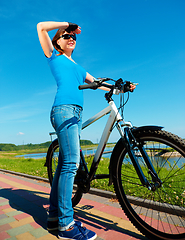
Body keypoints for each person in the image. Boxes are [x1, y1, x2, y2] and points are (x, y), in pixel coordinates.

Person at [37, 21, 135, 240]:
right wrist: (68, 25)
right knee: (71, 165)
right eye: (66, 36)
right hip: (63, 110)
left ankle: (55, 217)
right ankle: (67, 226)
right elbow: (41, 27)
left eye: (74, 37)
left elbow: (99, 83)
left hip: (76, 114)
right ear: (57, 42)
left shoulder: (79, 68)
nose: (71, 38)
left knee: (64, 165)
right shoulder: (54, 56)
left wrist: (122, 87)